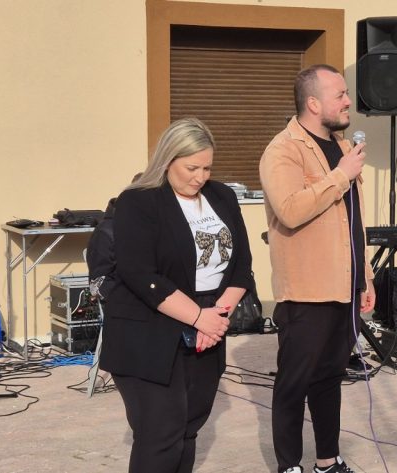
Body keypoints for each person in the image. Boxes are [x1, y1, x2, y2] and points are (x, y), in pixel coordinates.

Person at [101, 118, 254, 473]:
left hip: (209, 326)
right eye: (191, 168)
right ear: (168, 160)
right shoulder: (137, 202)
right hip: (148, 333)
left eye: (207, 168)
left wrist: (215, 320)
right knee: (161, 433)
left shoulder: (222, 196)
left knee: (188, 428)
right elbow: (140, 274)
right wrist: (198, 318)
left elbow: (241, 266)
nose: (200, 177)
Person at [259, 64, 375, 473]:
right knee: (294, 383)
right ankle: (289, 466)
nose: (348, 102)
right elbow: (290, 210)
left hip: (346, 285)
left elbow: (354, 218)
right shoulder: (283, 150)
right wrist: (341, 176)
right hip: (307, 290)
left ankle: (327, 460)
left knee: (329, 378)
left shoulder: (342, 147)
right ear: (313, 103)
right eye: (339, 95)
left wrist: (366, 277)